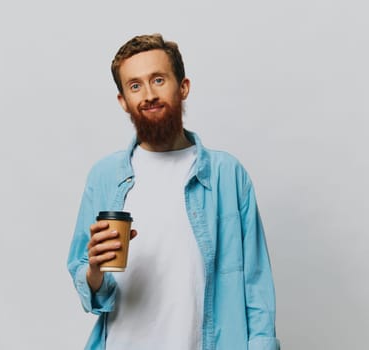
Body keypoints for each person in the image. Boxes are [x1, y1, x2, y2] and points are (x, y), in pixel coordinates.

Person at [67, 33, 280, 350]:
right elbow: (88, 283)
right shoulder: (105, 176)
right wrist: (94, 271)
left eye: (158, 79)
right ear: (123, 101)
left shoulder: (227, 175)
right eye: (135, 85)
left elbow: (256, 284)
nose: (149, 94)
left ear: (183, 87)